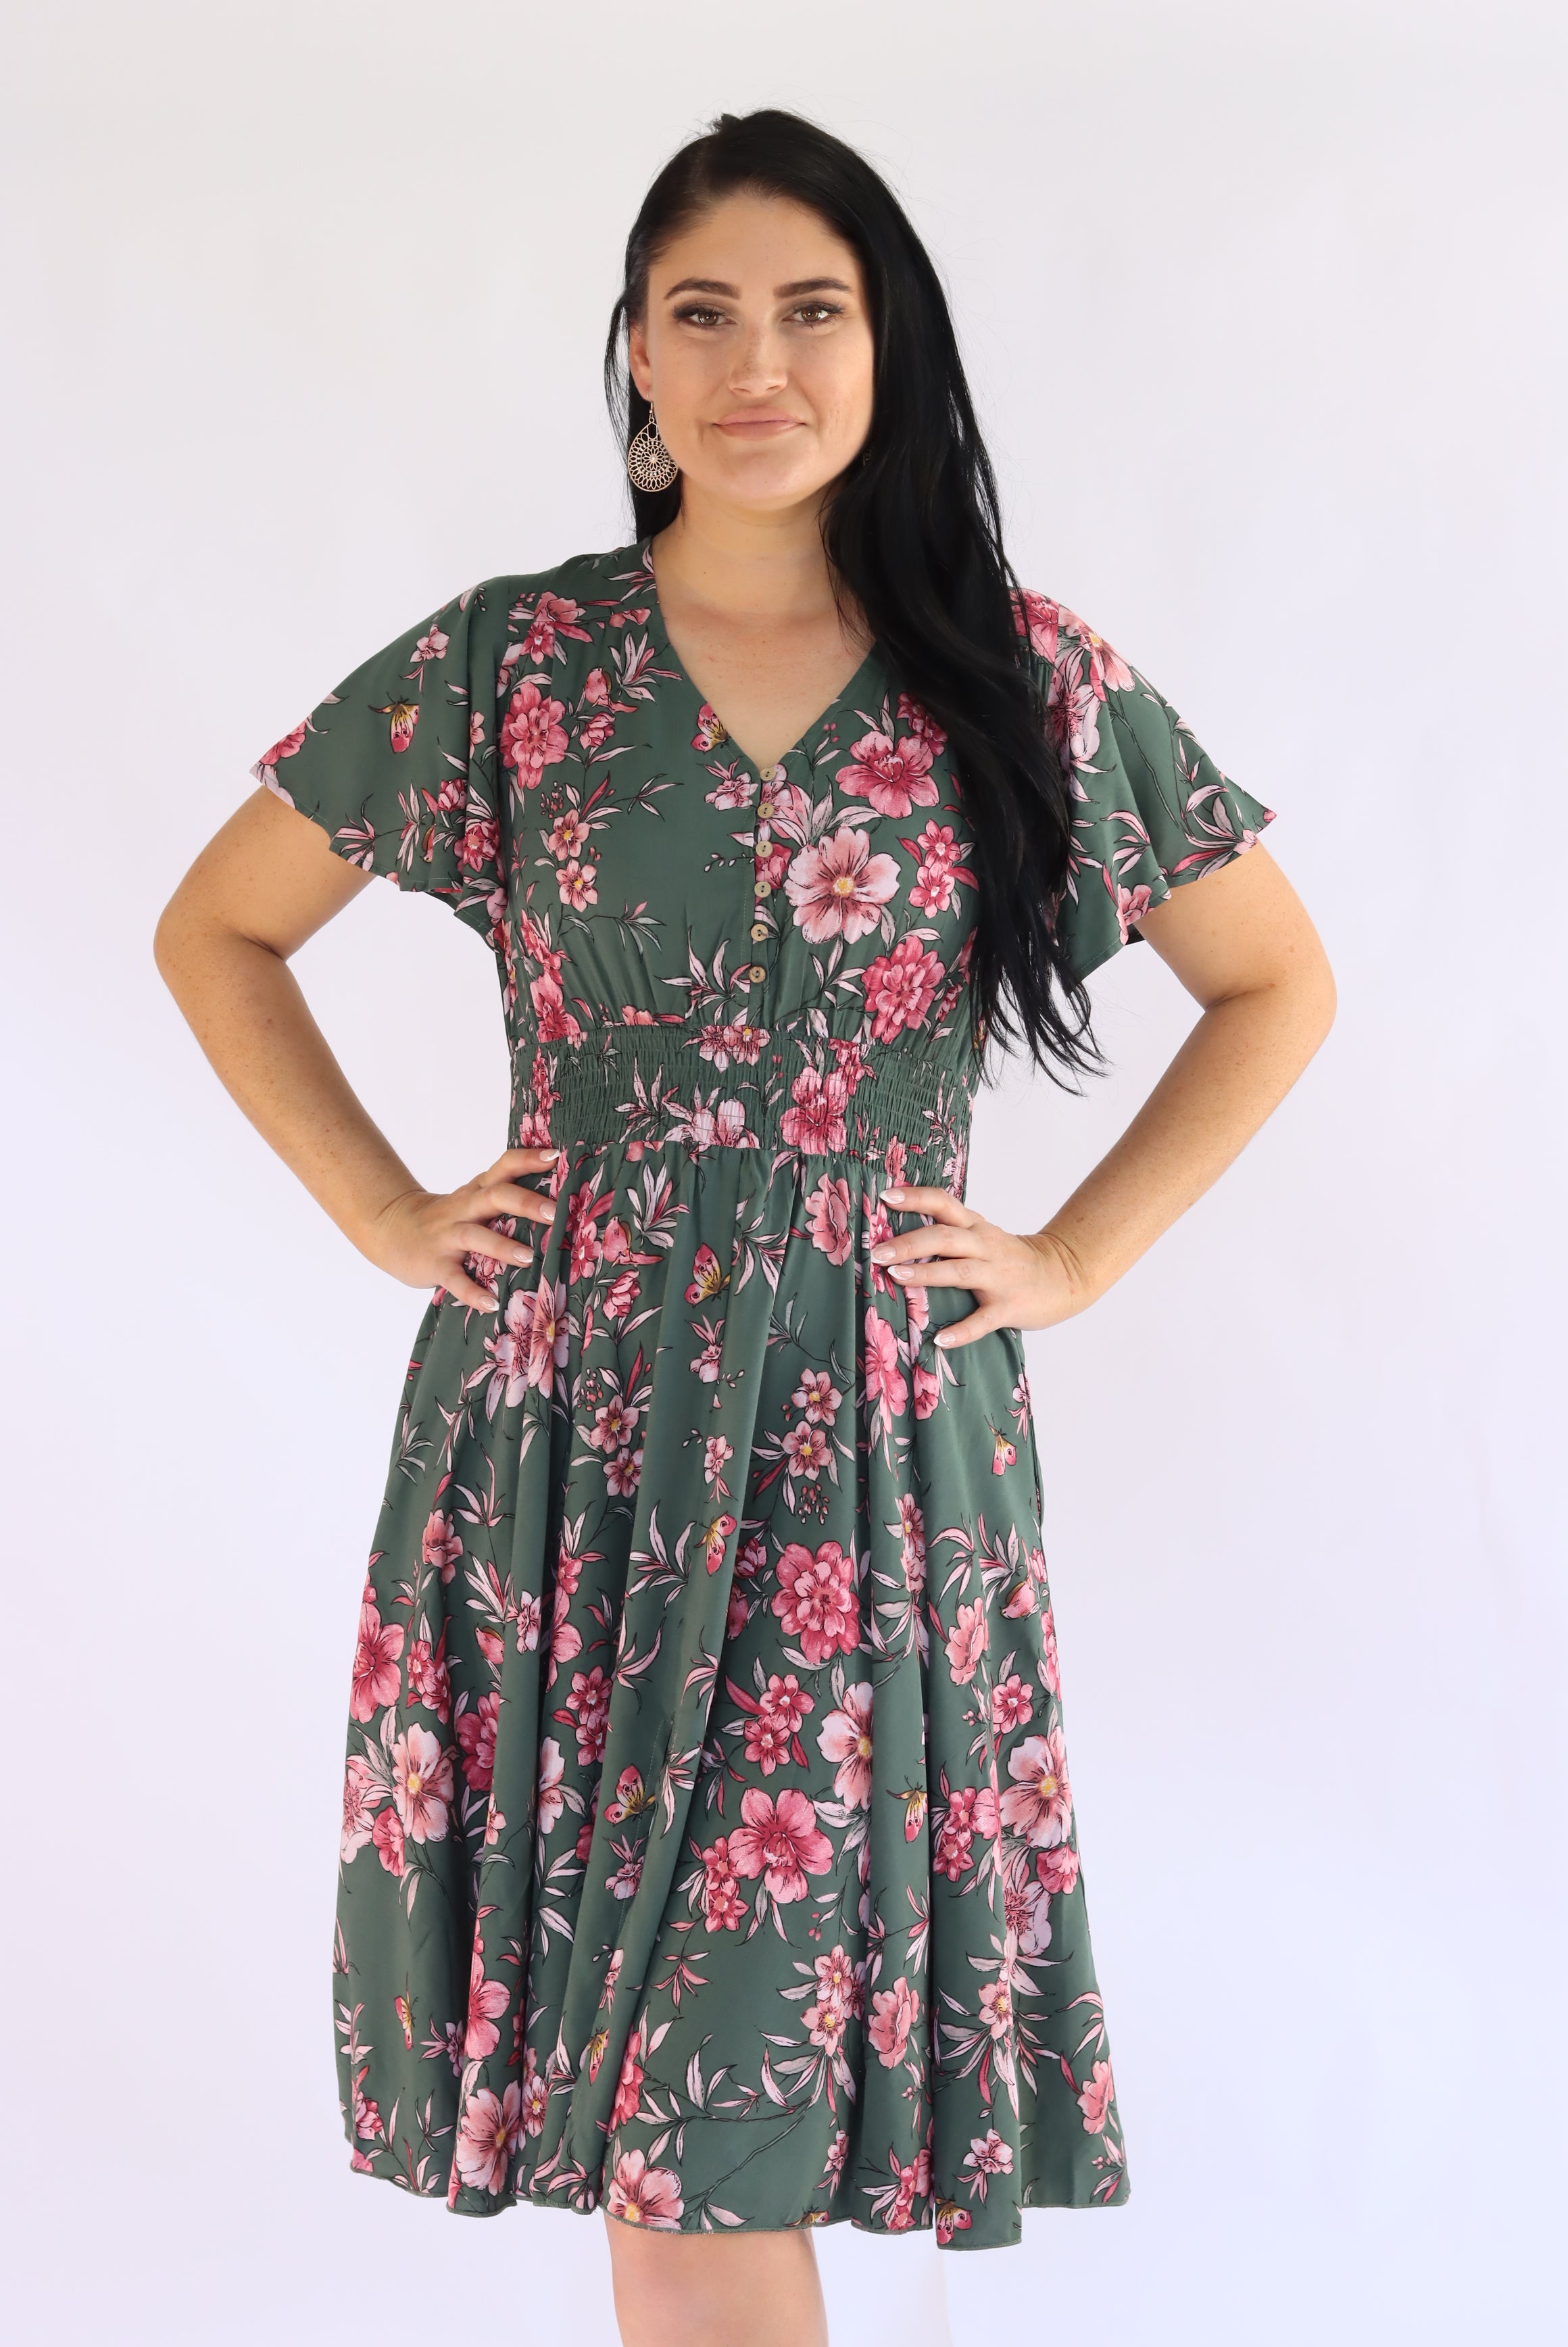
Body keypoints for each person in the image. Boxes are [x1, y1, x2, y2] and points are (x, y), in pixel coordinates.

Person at [154, 106, 1335, 2347]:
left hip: (863, 1458)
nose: (755, 363)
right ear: (634, 354)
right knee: (653, 2126)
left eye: (812, 309)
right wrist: (384, 1205)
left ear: (893, 347)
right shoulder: (515, 665)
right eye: (699, 314)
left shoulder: (1020, 676)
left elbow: (1277, 979)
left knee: (705, 2123)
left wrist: (1073, 1259)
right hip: (565, 1443)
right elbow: (218, 929)